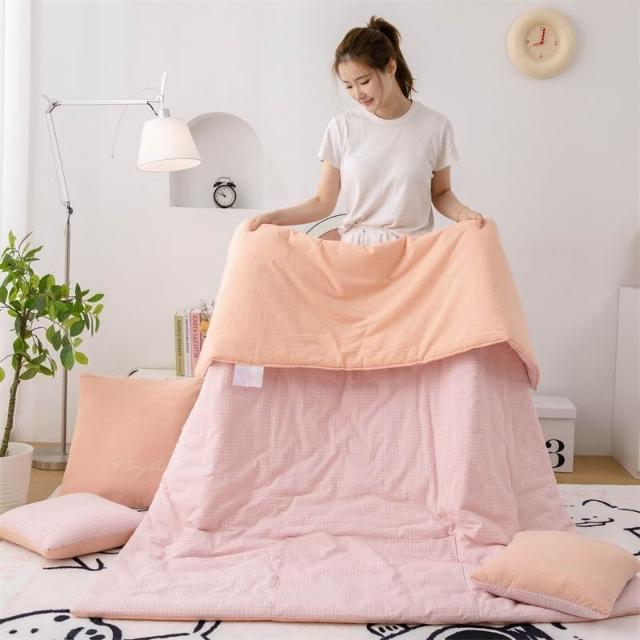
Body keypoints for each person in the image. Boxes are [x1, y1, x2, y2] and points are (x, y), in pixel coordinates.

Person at [247, 15, 484, 246]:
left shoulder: (435, 126)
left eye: (364, 81)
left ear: (391, 66)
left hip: (412, 254)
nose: (357, 94)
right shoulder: (342, 127)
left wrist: (464, 214)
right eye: (348, 86)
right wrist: (273, 218)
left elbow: (441, 193)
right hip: (356, 254)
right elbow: (322, 202)